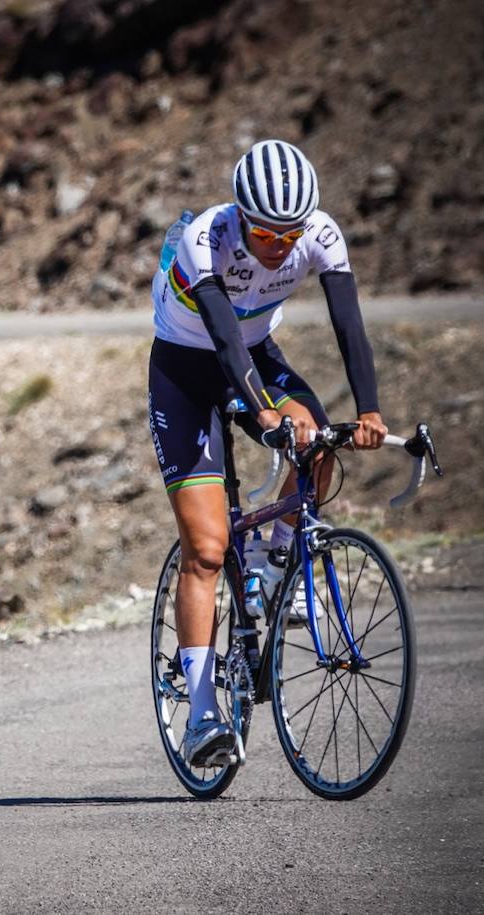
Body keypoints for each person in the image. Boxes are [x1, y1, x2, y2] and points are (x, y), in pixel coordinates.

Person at [147, 139, 388, 768]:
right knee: (204, 548)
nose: (281, 246)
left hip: (257, 355)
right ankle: (202, 716)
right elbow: (223, 341)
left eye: (291, 234)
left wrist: (368, 412)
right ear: (241, 214)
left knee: (320, 442)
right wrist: (263, 414)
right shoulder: (207, 237)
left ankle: (273, 560)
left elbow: (348, 325)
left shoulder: (321, 233)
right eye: (266, 233)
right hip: (186, 368)